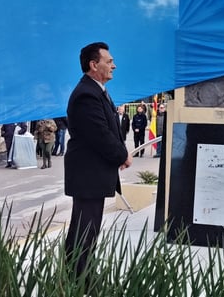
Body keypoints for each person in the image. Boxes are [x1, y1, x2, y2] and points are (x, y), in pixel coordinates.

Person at [64, 42, 132, 277]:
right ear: (94, 65)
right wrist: (122, 155)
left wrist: (120, 152)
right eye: (109, 61)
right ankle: (79, 280)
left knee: (88, 231)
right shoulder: (86, 94)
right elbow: (99, 134)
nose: (114, 65)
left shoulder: (96, 91)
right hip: (88, 175)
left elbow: (109, 129)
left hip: (92, 175)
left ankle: (82, 276)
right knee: (84, 232)